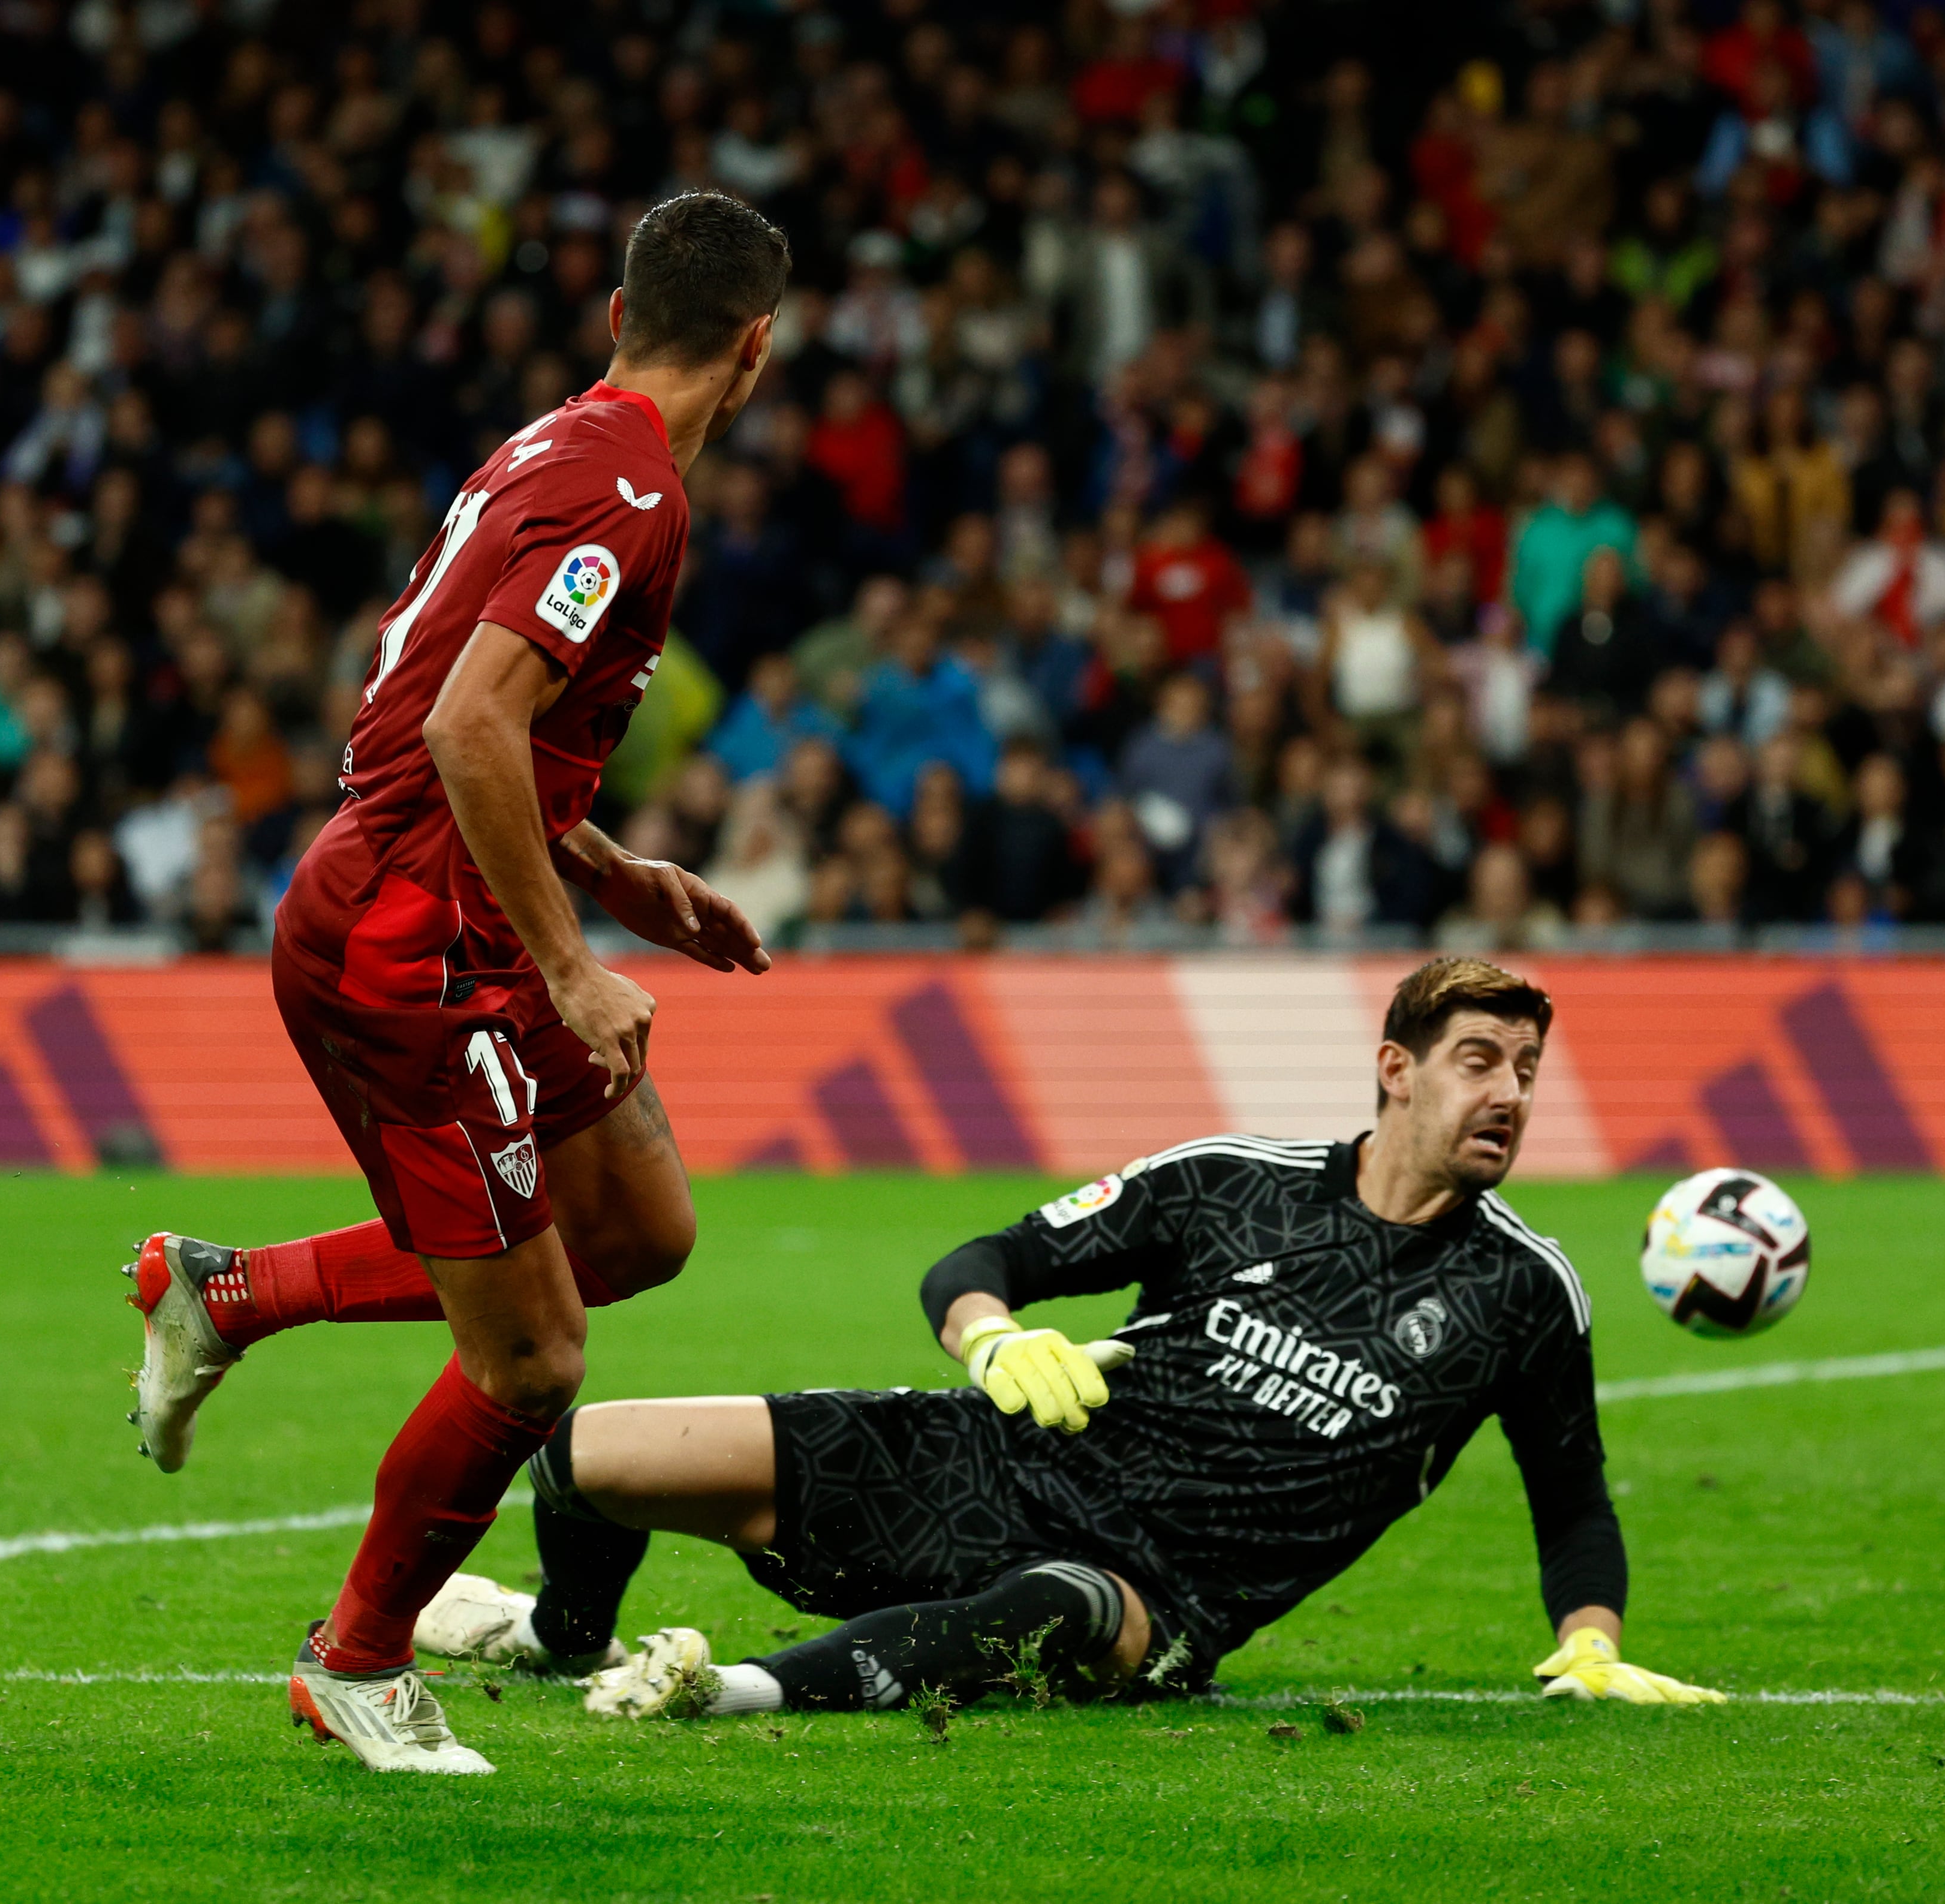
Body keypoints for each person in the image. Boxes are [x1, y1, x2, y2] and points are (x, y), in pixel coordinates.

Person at [116, 194, 793, 1776]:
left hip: (470, 905)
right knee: (536, 1358)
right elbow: (466, 729)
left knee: (639, 1234)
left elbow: (466, 706)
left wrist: (615, 880)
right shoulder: (629, 497)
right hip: (413, 947)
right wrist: (572, 963)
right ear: (753, 350)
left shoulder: (561, 445)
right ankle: (355, 1662)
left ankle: (228, 1293)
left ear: (622, 315)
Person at [411, 958, 1719, 1715]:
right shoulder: (1230, 1178)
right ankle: (567, 1638)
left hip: (1160, 1594)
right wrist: (989, 1339)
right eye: (1480, 1060)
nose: (1508, 1094)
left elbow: (1572, 1496)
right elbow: (984, 1259)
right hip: (1000, 1462)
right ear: (1396, 1069)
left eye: (1527, 1071)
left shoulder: (1525, 1294)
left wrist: (1589, 1635)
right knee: (588, 1453)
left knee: (1053, 1604)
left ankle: (726, 1690)